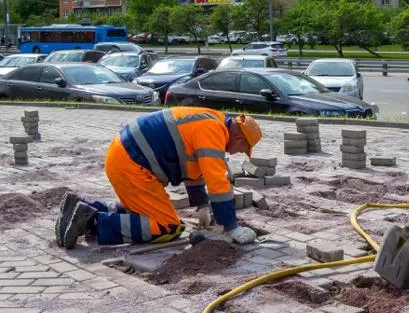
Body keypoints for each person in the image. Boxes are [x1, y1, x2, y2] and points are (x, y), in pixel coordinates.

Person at [55, 107, 263, 249]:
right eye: (243, 149)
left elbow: (194, 171)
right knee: (168, 227)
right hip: (133, 165)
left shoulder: (211, 120)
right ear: (239, 138)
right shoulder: (214, 131)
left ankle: (85, 207)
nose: (237, 154)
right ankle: (92, 222)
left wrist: (201, 206)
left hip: (124, 157)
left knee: (143, 211)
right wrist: (230, 226)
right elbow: (217, 182)